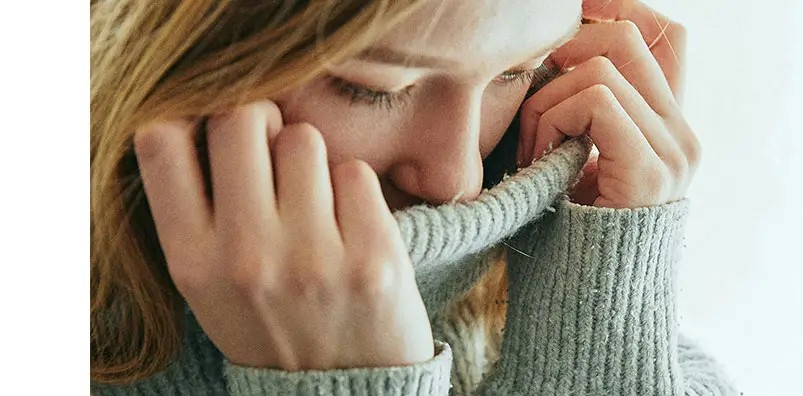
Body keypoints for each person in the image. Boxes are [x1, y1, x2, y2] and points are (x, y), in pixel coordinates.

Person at [90, 0, 738, 394]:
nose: (458, 178)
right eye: (373, 88)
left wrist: (602, 320)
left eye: (515, 72)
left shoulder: (555, 276)